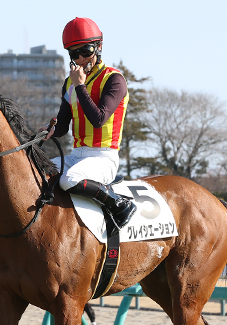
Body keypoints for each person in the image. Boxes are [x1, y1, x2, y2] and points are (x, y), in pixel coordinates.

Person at [44, 17, 136, 236]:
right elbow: (62, 127)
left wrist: (80, 86)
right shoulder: (69, 83)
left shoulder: (114, 79)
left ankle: (119, 204)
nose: (81, 58)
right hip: (77, 155)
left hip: (104, 157)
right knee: (39, 171)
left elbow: (98, 119)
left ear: (99, 46)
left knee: (69, 179)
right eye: (74, 54)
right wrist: (47, 131)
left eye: (86, 51)